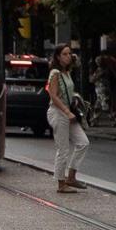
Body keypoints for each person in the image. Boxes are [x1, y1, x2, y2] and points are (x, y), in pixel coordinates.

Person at [45, 43, 89, 193]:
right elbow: (53, 95)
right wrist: (66, 111)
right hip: (58, 112)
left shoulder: (67, 71)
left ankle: (71, 177)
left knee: (83, 143)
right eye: (64, 54)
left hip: (68, 112)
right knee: (63, 149)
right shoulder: (55, 73)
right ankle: (61, 183)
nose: (68, 56)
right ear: (58, 56)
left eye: (69, 53)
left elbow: (77, 63)